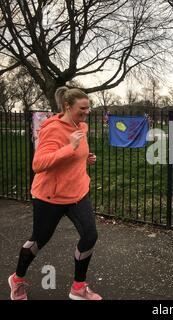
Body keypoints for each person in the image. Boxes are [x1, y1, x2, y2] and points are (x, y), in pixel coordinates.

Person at [8, 87, 102, 300]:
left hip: (78, 193)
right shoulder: (52, 129)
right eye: (82, 108)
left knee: (90, 235)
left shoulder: (81, 126)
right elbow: (38, 164)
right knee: (39, 241)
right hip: (50, 196)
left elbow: (74, 154)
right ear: (68, 106)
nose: (87, 112)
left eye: (88, 108)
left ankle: (78, 287)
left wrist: (84, 157)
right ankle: (17, 279)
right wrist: (70, 148)